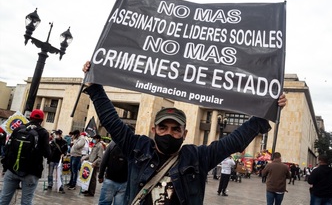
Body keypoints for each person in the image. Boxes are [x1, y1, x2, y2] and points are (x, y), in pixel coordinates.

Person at [82, 61, 287, 204]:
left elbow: (234, 141)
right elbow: (111, 120)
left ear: (185, 133)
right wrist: (94, 86)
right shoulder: (136, 147)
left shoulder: (198, 157)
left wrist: (265, 112)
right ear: (154, 130)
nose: (168, 134)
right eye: (163, 128)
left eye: (175, 129)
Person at [0, 109, 51, 205]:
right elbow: (47, 154)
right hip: (31, 173)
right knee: (26, 201)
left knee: (4, 198)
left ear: (30, 117)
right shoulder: (43, 133)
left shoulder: (18, 128)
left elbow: (8, 148)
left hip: (12, 169)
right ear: (42, 120)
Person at [46, 129, 68, 193]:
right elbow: (49, 150)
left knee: (59, 174)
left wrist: (64, 154)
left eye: (59, 134)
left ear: (61, 135)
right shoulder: (52, 142)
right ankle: (50, 184)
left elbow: (66, 150)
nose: (57, 135)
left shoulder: (64, 142)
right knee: (50, 173)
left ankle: (60, 185)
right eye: (57, 134)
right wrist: (48, 159)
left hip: (59, 160)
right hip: (52, 159)